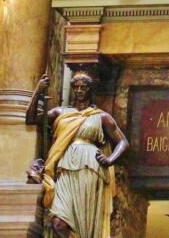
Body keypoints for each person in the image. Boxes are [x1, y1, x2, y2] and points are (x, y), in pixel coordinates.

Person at [26, 72, 129, 238]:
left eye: (83, 87)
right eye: (76, 87)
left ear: (90, 89)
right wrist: (37, 93)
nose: (79, 90)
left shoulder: (101, 117)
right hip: (64, 167)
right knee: (58, 223)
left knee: (85, 222)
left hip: (90, 169)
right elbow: (31, 119)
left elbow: (123, 142)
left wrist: (110, 159)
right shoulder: (61, 112)